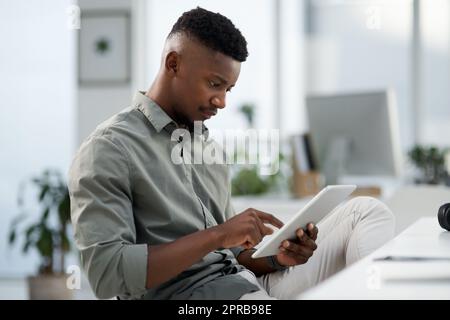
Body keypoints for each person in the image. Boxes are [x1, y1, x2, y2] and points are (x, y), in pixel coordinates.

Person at [68, 7, 395, 300]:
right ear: (173, 63)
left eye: (228, 89)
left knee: (365, 212)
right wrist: (218, 235)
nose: (222, 101)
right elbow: (107, 275)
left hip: (245, 283)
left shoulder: (207, 148)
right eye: (214, 84)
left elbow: (232, 254)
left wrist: (278, 258)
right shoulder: (110, 148)